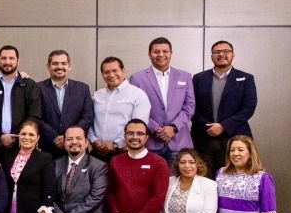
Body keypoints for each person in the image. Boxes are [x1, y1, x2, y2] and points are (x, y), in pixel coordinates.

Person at [192, 40, 258, 177]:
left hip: (234, 138)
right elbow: (191, 106)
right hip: (203, 138)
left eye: (225, 51)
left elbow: (249, 107)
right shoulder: (198, 78)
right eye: (217, 52)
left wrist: (223, 126)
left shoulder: (246, 78)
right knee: (204, 181)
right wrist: (208, 127)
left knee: (231, 179)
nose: (221, 54)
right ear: (211, 56)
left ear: (233, 55)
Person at [128, 37, 195, 165]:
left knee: (178, 183)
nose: (161, 55)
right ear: (149, 54)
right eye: (156, 52)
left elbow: (189, 106)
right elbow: (135, 109)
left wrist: (174, 128)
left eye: (165, 51)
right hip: (151, 142)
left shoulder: (185, 76)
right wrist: (156, 129)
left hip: (179, 142)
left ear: (171, 54)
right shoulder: (137, 78)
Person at [89, 57, 151, 163]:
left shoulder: (138, 95)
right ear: (103, 75)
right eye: (106, 72)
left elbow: (139, 126)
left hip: (124, 152)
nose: (111, 75)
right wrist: (94, 140)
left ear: (123, 70)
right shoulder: (97, 95)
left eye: (115, 70)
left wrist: (116, 144)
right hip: (98, 153)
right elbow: (89, 120)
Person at [0, 45, 42, 154]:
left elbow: (34, 115)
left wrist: (16, 136)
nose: (7, 61)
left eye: (11, 58)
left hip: (22, 145)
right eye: (4, 58)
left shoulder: (29, 85)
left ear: (18, 61)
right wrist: (0, 136)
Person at [38, 50, 94, 158]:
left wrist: (69, 137)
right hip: (47, 149)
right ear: (48, 67)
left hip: (76, 149)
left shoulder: (82, 89)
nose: (60, 67)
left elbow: (88, 116)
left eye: (64, 63)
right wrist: (54, 137)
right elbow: (36, 117)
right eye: (55, 63)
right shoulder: (37, 88)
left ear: (69, 66)